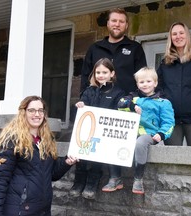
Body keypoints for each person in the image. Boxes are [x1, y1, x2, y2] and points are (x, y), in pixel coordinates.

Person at [71, 7, 147, 196]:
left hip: (123, 106)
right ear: (108, 23)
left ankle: (108, 178)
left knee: (113, 145)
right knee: (88, 141)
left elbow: (142, 75)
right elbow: (86, 76)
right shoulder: (95, 48)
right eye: (114, 21)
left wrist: (135, 101)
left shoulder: (135, 48)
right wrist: (84, 99)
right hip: (97, 104)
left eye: (121, 21)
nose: (117, 24)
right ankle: (81, 180)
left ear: (126, 25)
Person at [0, 96, 78, 216]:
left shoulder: (46, 140)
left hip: (42, 210)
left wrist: (67, 162)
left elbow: (52, 174)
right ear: (23, 112)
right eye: (32, 110)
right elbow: (0, 182)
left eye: (40, 110)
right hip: (19, 210)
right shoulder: (12, 140)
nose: (37, 114)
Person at [102, 67, 175, 194]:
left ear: (155, 83)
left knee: (140, 143)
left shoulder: (164, 102)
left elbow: (169, 122)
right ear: (137, 84)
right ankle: (115, 177)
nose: (145, 84)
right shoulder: (132, 98)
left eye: (148, 81)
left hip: (150, 135)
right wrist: (132, 106)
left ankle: (138, 179)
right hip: (130, 133)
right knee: (112, 141)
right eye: (141, 82)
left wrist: (161, 134)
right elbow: (120, 104)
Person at [73, 58, 125, 199]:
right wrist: (80, 106)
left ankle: (92, 184)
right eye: (98, 72)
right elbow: (83, 107)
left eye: (104, 72)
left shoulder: (118, 92)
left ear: (112, 73)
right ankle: (78, 182)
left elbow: (120, 111)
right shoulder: (89, 91)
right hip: (88, 131)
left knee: (97, 159)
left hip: (104, 134)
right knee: (82, 156)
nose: (101, 75)